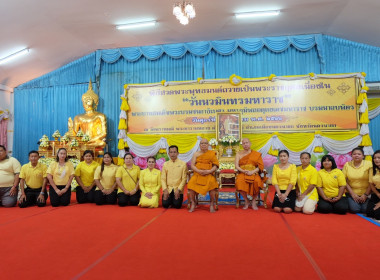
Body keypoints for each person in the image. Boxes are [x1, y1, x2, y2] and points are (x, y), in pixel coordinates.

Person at [71, 81, 107, 148]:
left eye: (88, 101)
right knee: (72, 142)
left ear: (95, 102)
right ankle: (84, 145)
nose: (85, 103)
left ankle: (86, 145)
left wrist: (91, 140)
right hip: (81, 141)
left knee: (102, 143)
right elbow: (74, 133)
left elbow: (104, 133)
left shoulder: (100, 116)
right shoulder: (78, 117)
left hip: (93, 141)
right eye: (84, 101)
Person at [187, 138, 219, 213]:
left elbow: (215, 165)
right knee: (191, 184)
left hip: (209, 174)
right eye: (202, 143)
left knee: (212, 184)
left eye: (205, 143)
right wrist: (198, 171)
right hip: (198, 174)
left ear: (208, 145)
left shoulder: (212, 153)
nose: (203, 145)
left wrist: (209, 171)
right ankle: (193, 203)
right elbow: (192, 165)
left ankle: (211, 204)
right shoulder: (196, 154)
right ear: (199, 145)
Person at [235, 138, 264, 210]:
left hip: (253, 172)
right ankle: (246, 200)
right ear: (242, 145)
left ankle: (254, 201)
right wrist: (243, 171)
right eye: (243, 143)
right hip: (243, 172)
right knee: (239, 182)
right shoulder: (238, 154)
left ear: (250, 144)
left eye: (247, 142)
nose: (245, 144)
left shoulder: (256, 154)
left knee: (257, 182)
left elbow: (260, 166)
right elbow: (236, 166)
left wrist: (252, 172)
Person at [343, 147, 372, 213]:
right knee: (355, 209)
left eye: (359, 154)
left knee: (365, 210)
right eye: (354, 154)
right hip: (352, 193)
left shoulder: (369, 164)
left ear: (363, 156)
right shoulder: (347, 165)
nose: (356, 155)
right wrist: (352, 194)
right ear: (351, 156)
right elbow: (343, 180)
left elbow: (371, 181)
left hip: (367, 193)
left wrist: (366, 195)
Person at [366, 150, 380, 220]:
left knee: (378, 215)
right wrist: (377, 194)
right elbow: (371, 184)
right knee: (369, 213)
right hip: (377, 192)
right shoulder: (372, 169)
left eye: (379, 158)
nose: (376, 160)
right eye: (374, 158)